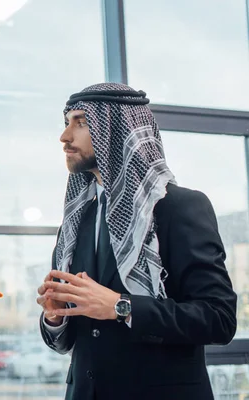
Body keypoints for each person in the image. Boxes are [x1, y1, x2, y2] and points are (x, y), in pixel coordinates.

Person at [37, 82, 237, 400]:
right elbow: (69, 341)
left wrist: (121, 307)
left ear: (116, 131)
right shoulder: (76, 222)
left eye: (82, 123)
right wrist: (56, 315)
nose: (65, 137)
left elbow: (219, 319)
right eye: (66, 123)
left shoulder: (180, 207)